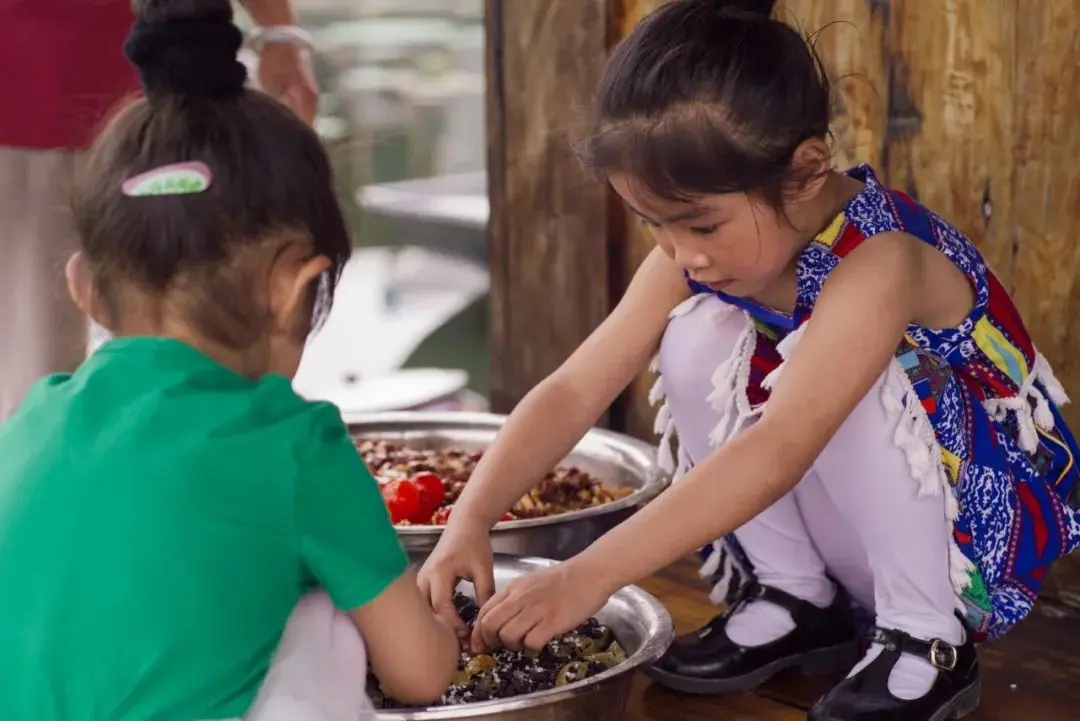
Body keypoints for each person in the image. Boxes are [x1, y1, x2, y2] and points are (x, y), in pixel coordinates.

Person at [416, 1, 1080, 719]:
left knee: (853, 379)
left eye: (700, 222)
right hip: (856, 521)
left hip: (972, 538)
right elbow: (579, 384)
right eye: (654, 222)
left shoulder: (881, 261)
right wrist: (472, 516)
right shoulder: (699, 255)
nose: (681, 251)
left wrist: (587, 577)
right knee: (694, 330)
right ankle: (797, 593)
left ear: (805, 170)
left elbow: (780, 447)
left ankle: (927, 638)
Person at [0, 2, 458, 720]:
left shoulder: (28, 422)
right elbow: (421, 674)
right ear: (295, 288)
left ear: (84, 286)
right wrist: (441, 625)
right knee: (326, 614)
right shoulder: (294, 443)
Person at [0, 0, 320, 422]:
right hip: (24, 106)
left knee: (209, 346)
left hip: (164, 98)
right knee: (38, 380)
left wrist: (279, 34)